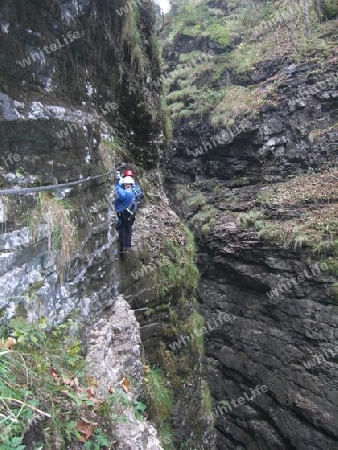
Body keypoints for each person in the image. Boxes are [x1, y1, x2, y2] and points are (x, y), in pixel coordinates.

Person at [115, 175, 137, 252]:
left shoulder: (125, 193)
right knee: (129, 229)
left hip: (123, 214)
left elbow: (118, 191)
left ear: (125, 185)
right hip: (132, 214)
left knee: (123, 229)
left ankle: (124, 246)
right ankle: (128, 245)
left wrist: (117, 183)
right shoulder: (134, 191)